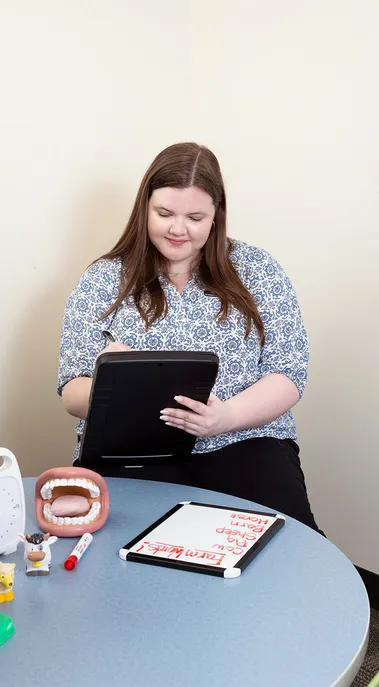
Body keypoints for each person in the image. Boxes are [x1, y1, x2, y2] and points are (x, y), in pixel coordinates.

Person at [55, 141, 322, 534]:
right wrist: (109, 380)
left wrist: (224, 417)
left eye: (195, 217)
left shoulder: (257, 270)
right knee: (124, 555)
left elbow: (288, 373)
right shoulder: (103, 279)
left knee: (289, 547)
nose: (178, 229)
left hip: (243, 439)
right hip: (131, 449)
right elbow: (70, 390)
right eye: (164, 214)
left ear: (217, 216)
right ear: (144, 209)